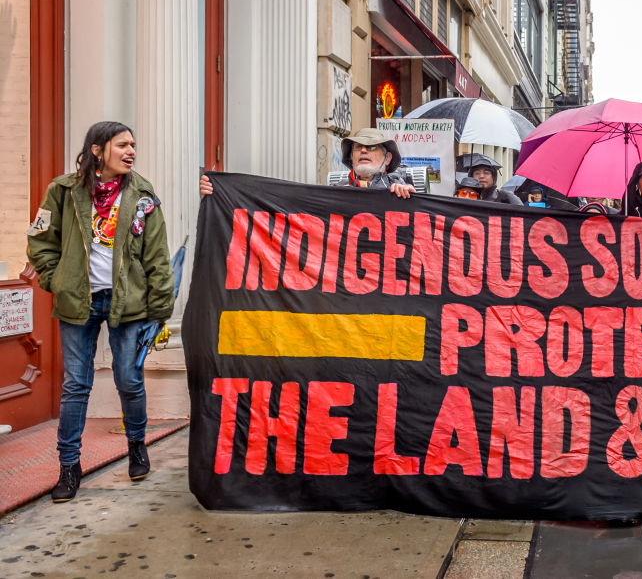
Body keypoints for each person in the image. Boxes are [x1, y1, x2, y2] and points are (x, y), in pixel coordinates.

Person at [27, 121, 174, 503]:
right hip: (79, 301)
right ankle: (69, 467)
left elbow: (158, 255)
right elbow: (39, 240)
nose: (131, 152)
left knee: (129, 379)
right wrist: (53, 279)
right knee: (77, 384)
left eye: (133, 145)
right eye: (122, 145)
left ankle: (137, 446)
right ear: (97, 149)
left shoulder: (142, 193)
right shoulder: (62, 191)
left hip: (130, 302)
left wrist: (160, 309)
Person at [198, 128, 415, 198]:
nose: (364, 150)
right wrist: (223, 192)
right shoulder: (333, 192)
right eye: (358, 147)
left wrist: (410, 198)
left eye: (372, 146)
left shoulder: (399, 188)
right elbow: (278, 203)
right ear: (352, 157)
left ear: (387, 158)